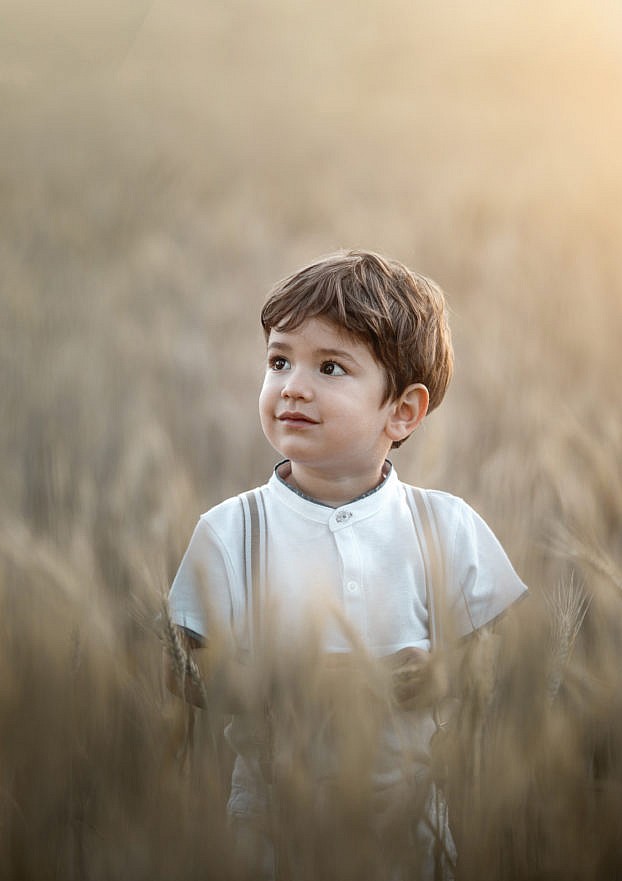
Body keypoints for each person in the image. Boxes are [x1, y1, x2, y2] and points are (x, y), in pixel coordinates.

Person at [165, 249, 527, 879]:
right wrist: (276, 684)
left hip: (412, 830)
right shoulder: (230, 531)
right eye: (279, 361)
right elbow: (180, 668)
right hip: (268, 831)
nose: (293, 386)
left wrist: (442, 673)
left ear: (403, 411)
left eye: (330, 367)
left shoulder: (446, 529)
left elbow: (517, 659)